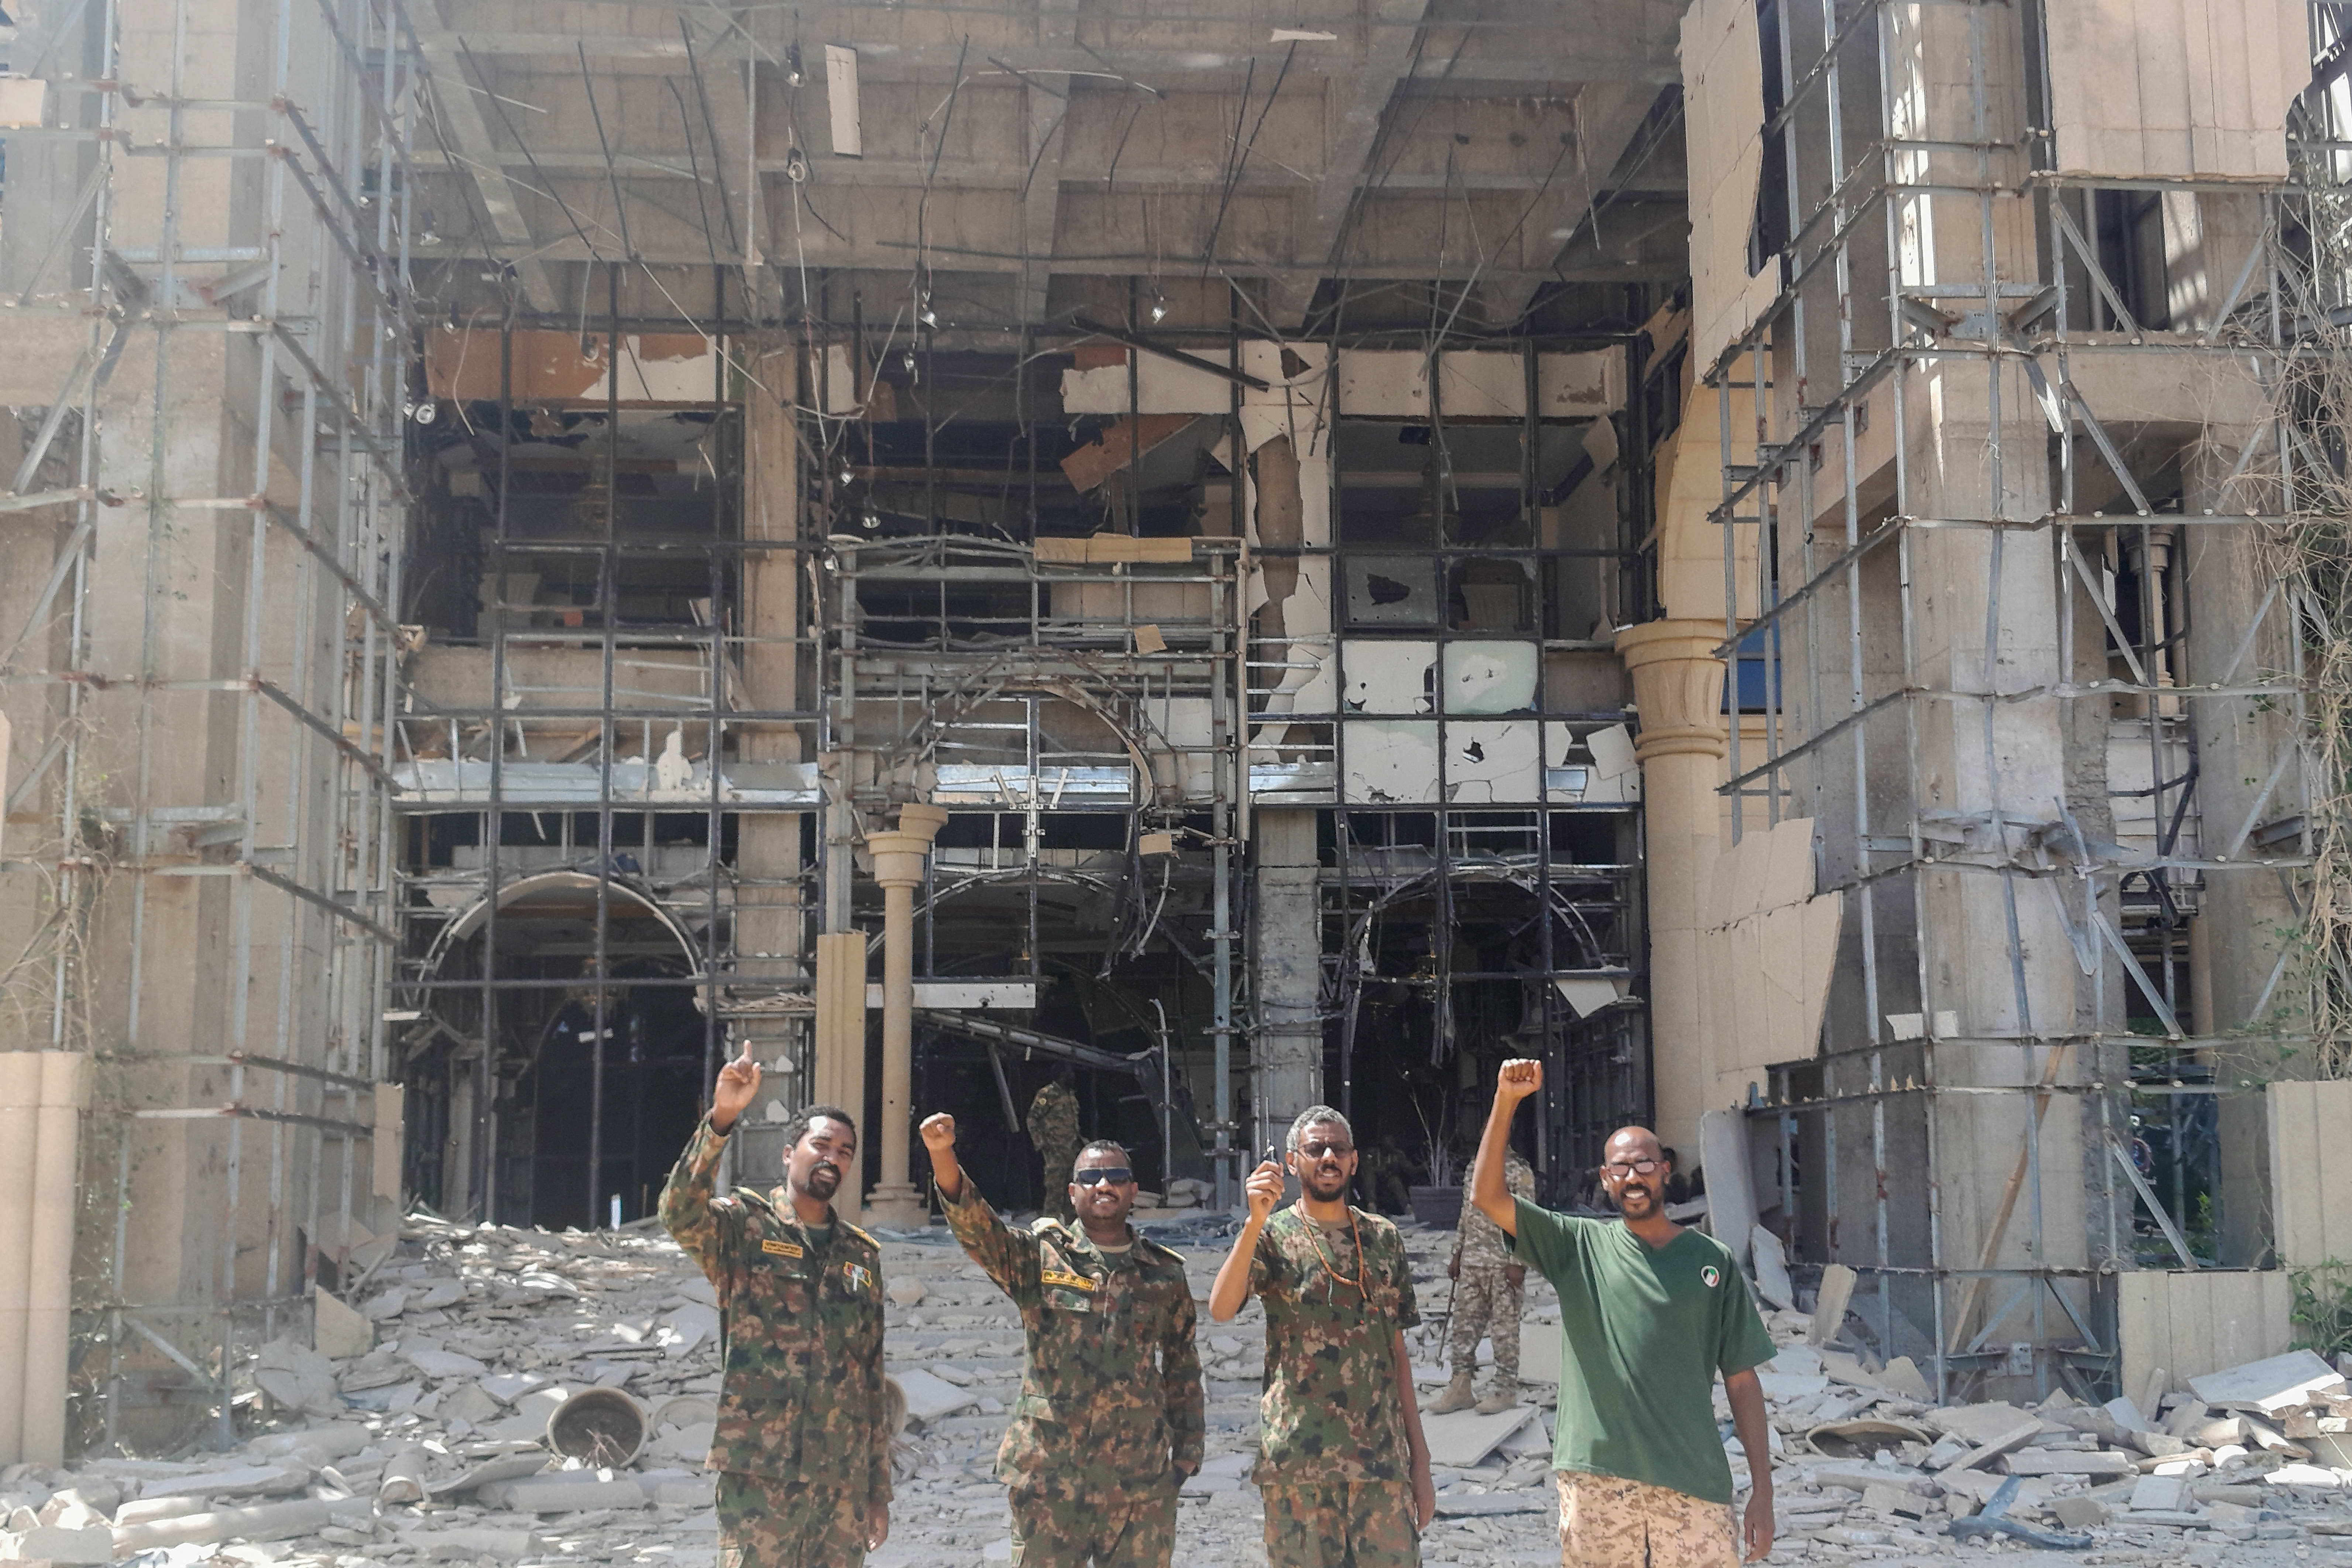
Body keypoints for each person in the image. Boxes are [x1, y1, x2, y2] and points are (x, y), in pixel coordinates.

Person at [1470, 1060, 1776, 1567]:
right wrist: (1505, 1099)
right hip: (1597, 1484)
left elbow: (1741, 1381)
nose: (1632, 1176)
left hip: (1693, 1484)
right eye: (1620, 1167)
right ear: (1605, 1179)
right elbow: (1486, 1195)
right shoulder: (1576, 1245)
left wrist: (1762, 1491)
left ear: (1665, 1169)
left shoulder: (1710, 1261)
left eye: (1642, 1164)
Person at [920, 1113, 1203, 1567]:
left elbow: (1182, 1364)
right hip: (1050, 1479)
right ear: (1072, 1192)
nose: (1103, 1184)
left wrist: (1186, 1455)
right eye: (1090, 1176)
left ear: (1133, 1190)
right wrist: (942, 1155)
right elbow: (978, 1229)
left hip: (1138, 1482)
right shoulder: (1039, 1257)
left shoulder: (1163, 1273)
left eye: (1116, 1176)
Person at [660, 1045, 891, 1567]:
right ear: (789, 1152)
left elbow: (870, 1375)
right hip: (761, 1474)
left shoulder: (861, 1254)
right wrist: (721, 1118)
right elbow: (677, 1211)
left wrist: (878, 1489)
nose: (832, 1157)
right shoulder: (744, 1225)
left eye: (845, 1151)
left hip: (841, 1479)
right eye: (821, 1144)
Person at [1209, 1105, 1435, 1568]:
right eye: (1315, 1148)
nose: (1328, 1156)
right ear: (1293, 1161)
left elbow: (1396, 1354)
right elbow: (1221, 1307)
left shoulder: (1383, 1237)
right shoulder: (1271, 1235)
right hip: (1298, 1465)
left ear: (1354, 1161)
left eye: (1338, 1148)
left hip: (1380, 1464)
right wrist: (1253, 1221)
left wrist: (1421, 1462)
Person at [1433, 1144, 1535, 1415]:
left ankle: (1504, 1390)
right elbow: (1465, 1212)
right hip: (1472, 1263)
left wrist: (1518, 1262)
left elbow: (1525, 1217)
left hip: (1503, 1264)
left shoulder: (1518, 1170)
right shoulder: (1473, 1166)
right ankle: (1461, 1387)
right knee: (1464, 1327)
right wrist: (1457, 1252)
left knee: (1504, 1332)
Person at [1029, 1076, 1083, 1221]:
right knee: (1055, 1191)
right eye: (1067, 1072)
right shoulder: (1047, 1093)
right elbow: (1032, 1119)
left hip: (1072, 1150)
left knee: (1071, 1193)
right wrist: (1041, 1143)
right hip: (1055, 1151)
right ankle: (1049, 1228)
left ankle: (1073, 1228)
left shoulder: (1071, 1094)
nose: (1070, 1074)